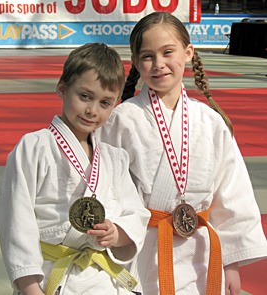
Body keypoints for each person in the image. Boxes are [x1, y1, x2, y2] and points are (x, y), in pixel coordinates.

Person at [97, 12, 267, 295]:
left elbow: (232, 193)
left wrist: (231, 264)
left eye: (167, 52)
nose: (159, 64)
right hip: (140, 249)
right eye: (148, 56)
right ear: (137, 63)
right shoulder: (122, 119)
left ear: (188, 53)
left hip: (198, 253)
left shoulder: (210, 122)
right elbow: (104, 187)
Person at [0, 43, 150, 295]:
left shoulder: (115, 158)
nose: (92, 110)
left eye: (105, 103)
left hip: (104, 281)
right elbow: (16, 221)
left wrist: (117, 233)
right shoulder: (34, 147)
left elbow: (136, 213)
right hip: (50, 279)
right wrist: (29, 288)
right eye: (85, 96)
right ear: (62, 88)